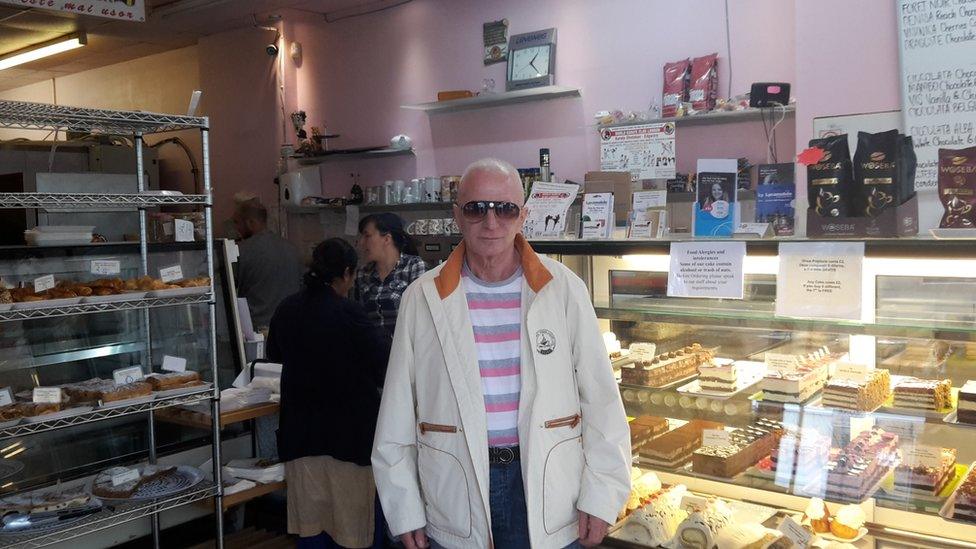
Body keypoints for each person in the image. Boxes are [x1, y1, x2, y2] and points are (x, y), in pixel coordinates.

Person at [372, 159, 631, 549]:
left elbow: (602, 404)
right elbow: (396, 414)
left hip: (549, 485)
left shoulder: (563, 290)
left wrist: (603, 494)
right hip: (453, 487)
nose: (491, 223)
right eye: (477, 208)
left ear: (523, 216)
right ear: (457, 215)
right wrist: (403, 505)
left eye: (505, 209)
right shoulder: (422, 298)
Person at [268, 238, 391, 549]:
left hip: (301, 439)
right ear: (347, 272)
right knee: (354, 531)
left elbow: (274, 353)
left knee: (312, 530)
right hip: (348, 441)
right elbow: (384, 365)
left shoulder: (286, 308)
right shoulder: (350, 313)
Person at [233, 197, 304, 330]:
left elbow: (227, 288)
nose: (237, 228)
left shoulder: (240, 251)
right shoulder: (292, 249)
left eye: (237, 223)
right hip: (290, 328)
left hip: (256, 330)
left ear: (250, 222)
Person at [354, 213, 426, 338]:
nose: (362, 243)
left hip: (406, 351)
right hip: (373, 353)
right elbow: (360, 320)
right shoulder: (363, 273)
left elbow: (422, 317)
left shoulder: (413, 266)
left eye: (367, 236)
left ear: (387, 239)